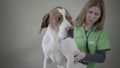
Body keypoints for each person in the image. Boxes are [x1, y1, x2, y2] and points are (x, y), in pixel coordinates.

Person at [73, 0, 111, 68]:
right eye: (90, 12)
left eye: (96, 14)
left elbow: (101, 57)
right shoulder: (73, 27)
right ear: (85, 11)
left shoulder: (100, 33)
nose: (92, 16)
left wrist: (85, 56)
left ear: (100, 16)